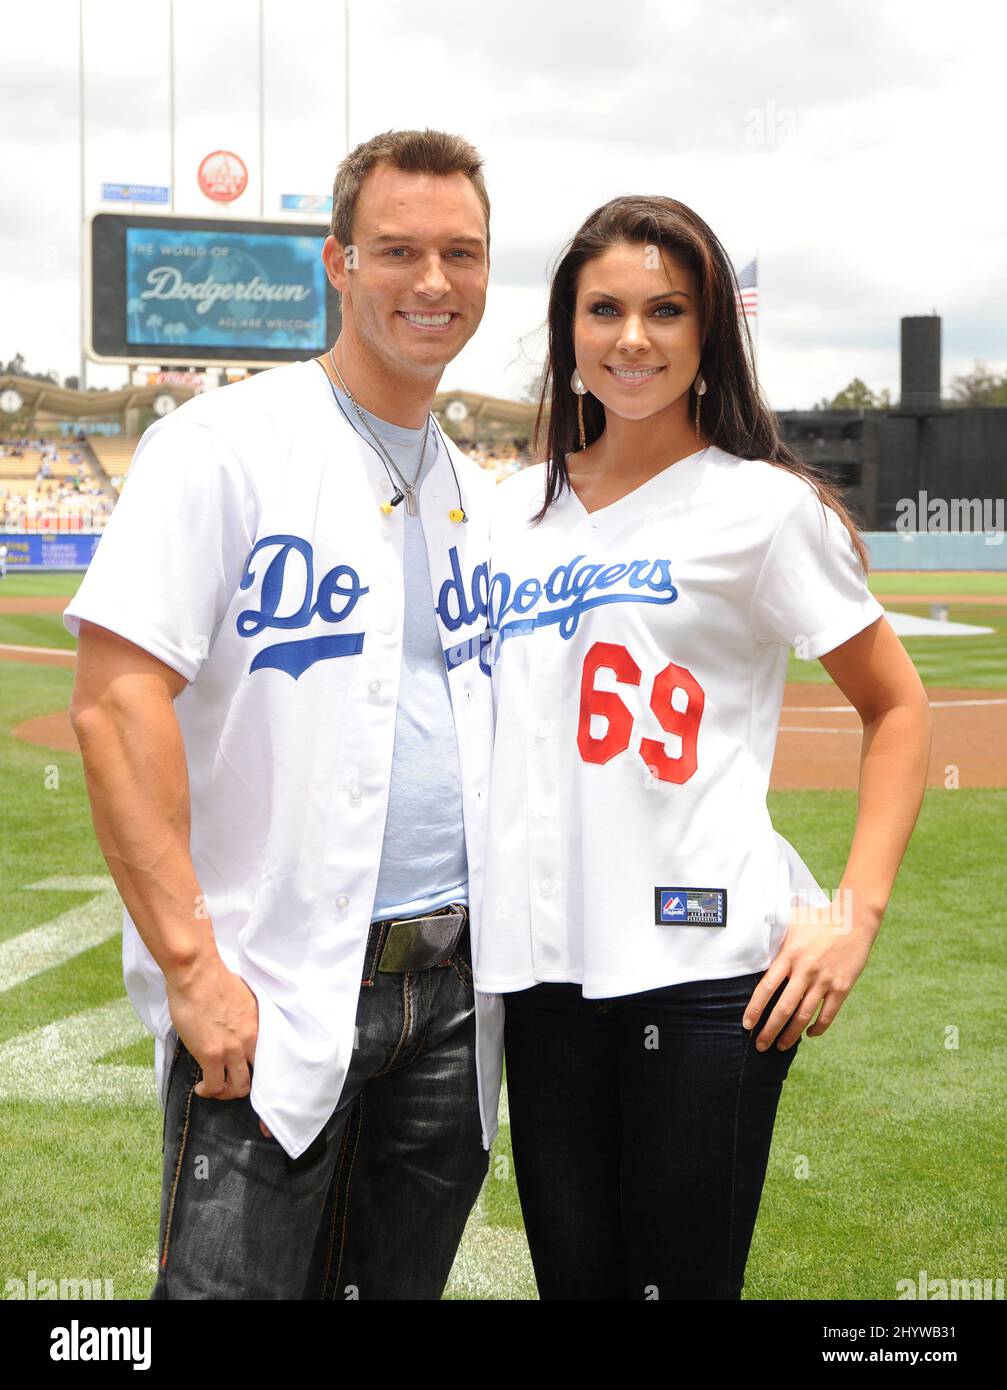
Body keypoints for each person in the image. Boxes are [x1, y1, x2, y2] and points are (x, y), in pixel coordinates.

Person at [64, 128, 503, 1300]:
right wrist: (193, 966)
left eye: (460, 253)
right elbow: (114, 704)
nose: (432, 281)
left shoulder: (475, 489)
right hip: (275, 987)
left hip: (452, 999)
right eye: (398, 249)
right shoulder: (220, 444)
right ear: (337, 263)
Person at [476, 195, 933, 1300]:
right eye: (604, 310)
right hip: (540, 976)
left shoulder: (764, 512)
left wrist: (851, 917)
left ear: (707, 334)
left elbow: (898, 709)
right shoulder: (505, 515)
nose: (632, 338)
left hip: (702, 974)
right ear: (566, 329)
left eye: (665, 310)